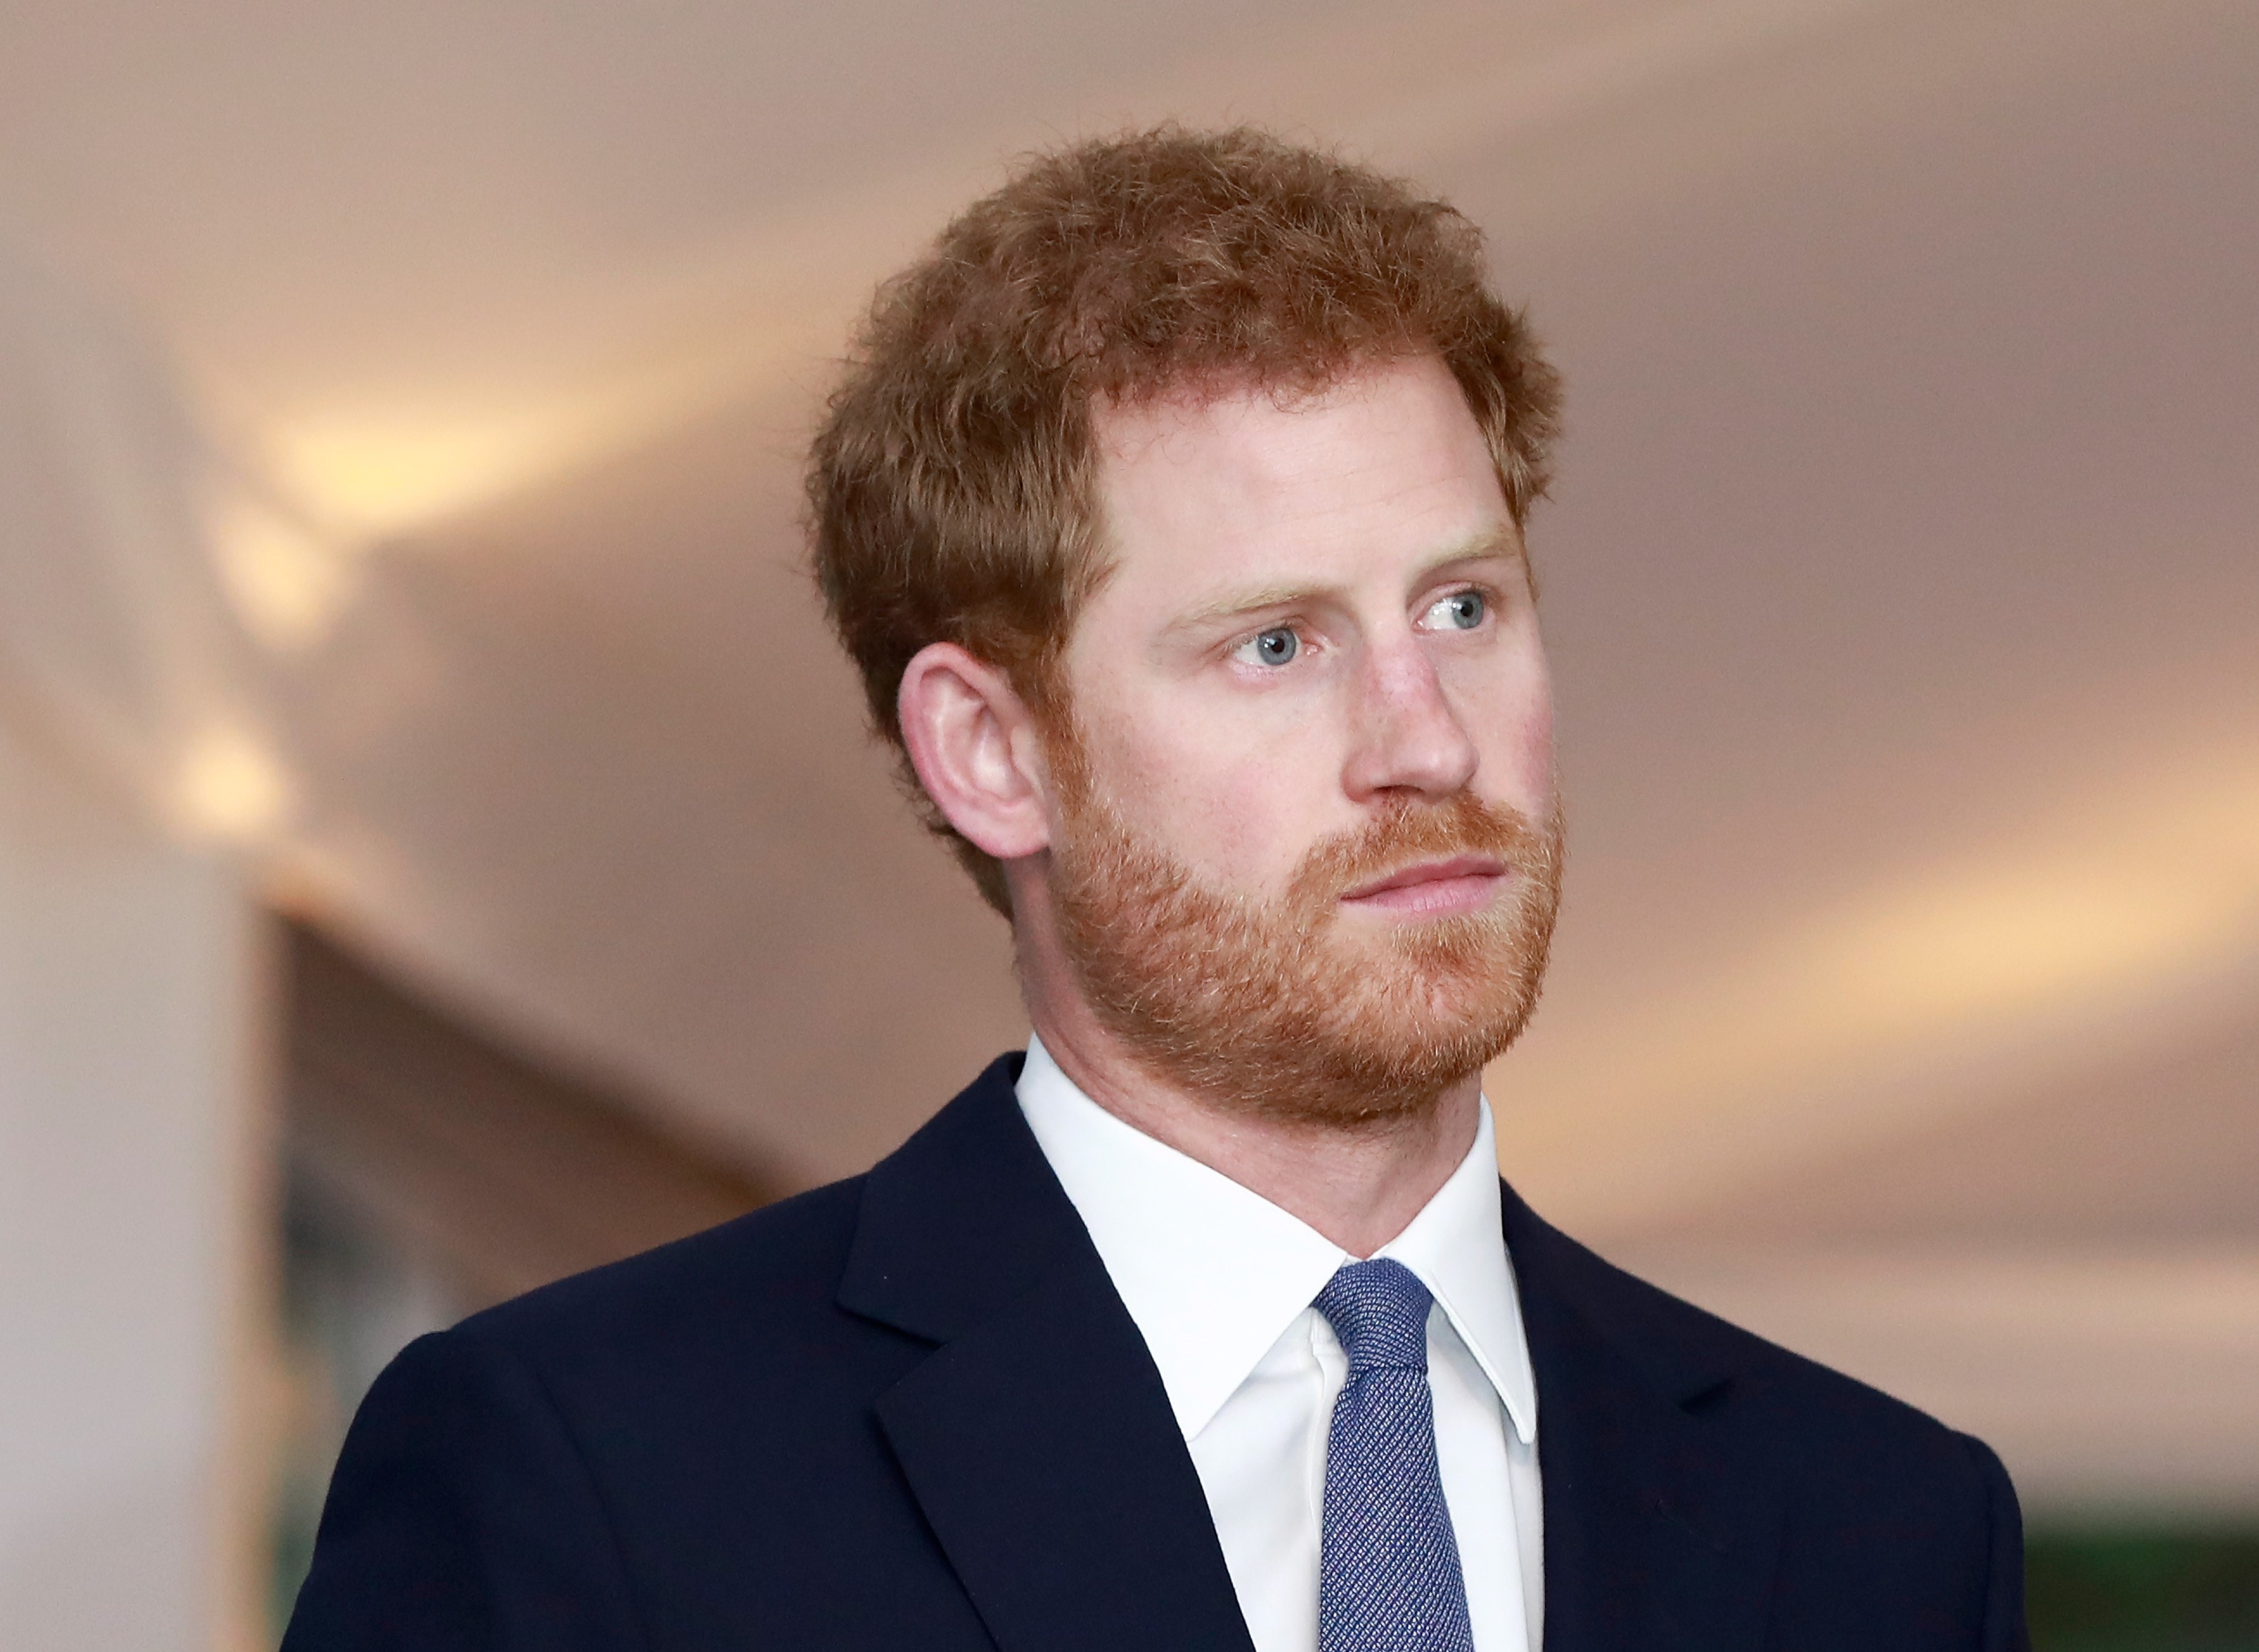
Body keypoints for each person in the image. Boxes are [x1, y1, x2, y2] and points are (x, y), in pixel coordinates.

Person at [283, 126, 2027, 1652]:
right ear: (989, 750)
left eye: (1462, 609)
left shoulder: (1877, 1526)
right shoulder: (597, 1468)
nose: (1421, 742)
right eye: (1275, 644)